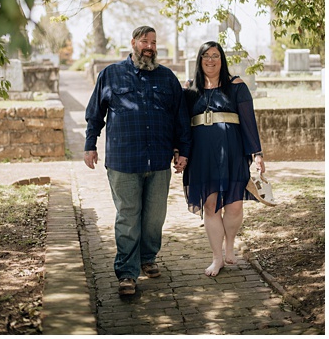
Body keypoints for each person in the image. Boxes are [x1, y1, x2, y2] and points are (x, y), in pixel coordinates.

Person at [84, 26, 191, 296]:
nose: (149, 46)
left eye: (154, 42)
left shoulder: (167, 78)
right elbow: (95, 113)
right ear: (133, 42)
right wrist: (90, 145)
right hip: (123, 160)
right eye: (145, 41)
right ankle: (127, 272)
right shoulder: (110, 74)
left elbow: (180, 118)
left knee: (154, 217)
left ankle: (148, 258)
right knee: (128, 216)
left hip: (158, 160)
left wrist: (182, 150)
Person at [182, 41, 265, 277]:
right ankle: (217, 258)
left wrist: (257, 154)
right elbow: (182, 125)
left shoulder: (237, 86)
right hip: (202, 154)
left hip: (232, 152)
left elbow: (249, 123)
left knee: (234, 205)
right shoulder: (189, 90)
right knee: (210, 205)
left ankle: (230, 246)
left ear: (222, 60)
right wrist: (180, 152)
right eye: (205, 56)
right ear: (200, 60)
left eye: (215, 55)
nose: (210, 60)